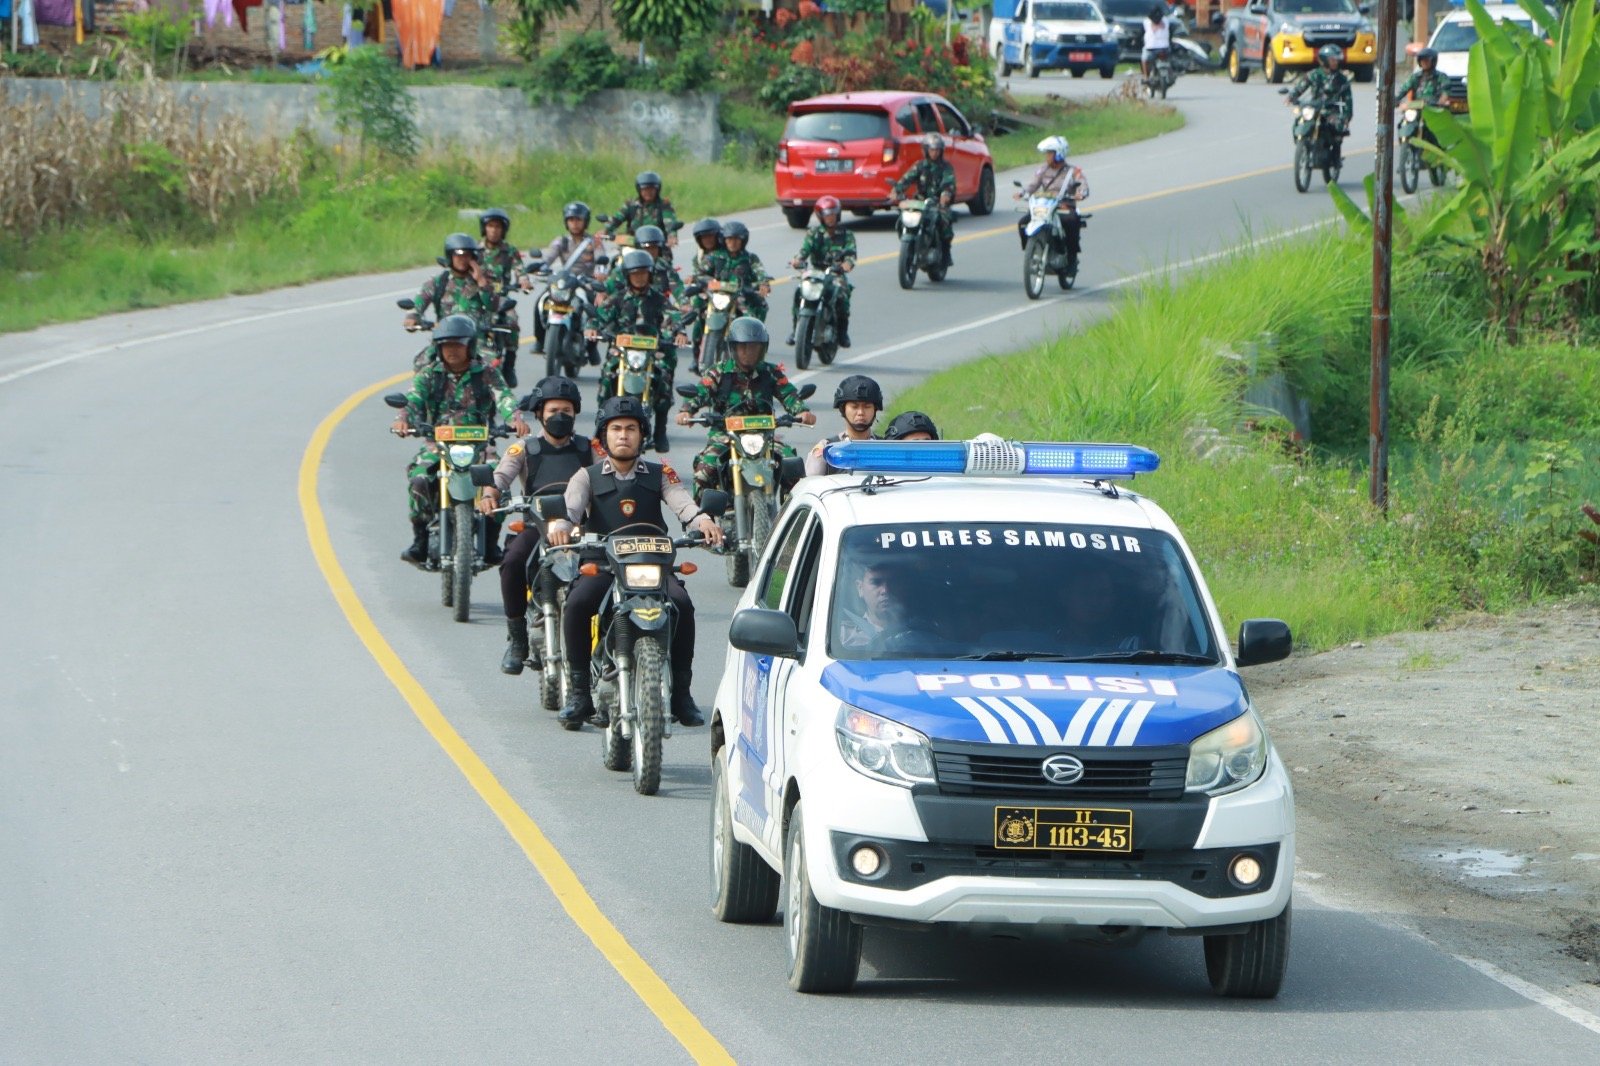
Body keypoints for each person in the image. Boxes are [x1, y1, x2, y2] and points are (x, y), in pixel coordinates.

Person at [548, 396, 724, 729]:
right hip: (603, 564)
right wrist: (560, 527)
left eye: (631, 428)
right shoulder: (586, 476)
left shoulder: (660, 473)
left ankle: (681, 694)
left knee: (683, 605)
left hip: (651, 565)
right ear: (604, 436)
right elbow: (569, 510)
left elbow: (683, 504)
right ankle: (579, 692)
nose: (624, 435)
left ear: (642, 435)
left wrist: (703, 522)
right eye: (616, 429)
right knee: (577, 604)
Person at [478, 376, 598, 675]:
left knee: (607, 574)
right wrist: (490, 495)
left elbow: (610, 474)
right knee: (513, 562)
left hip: (579, 531)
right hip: (538, 526)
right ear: (539, 413)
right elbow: (500, 477)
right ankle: (517, 639)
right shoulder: (524, 448)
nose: (560, 416)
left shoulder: (590, 448)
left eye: (567, 411)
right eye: (554, 409)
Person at [392, 314, 527, 564]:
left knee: (499, 479)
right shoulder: (429, 374)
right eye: (446, 345)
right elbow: (413, 399)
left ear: (470, 346)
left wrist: (514, 419)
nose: (452, 350)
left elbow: (505, 397)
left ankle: (490, 541)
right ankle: (420, 539)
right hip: (438, 445)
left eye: (458, 344)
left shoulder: (487, 373)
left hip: (481, 446)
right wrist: (403, 419)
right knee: (419, 478)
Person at [676, 317, 816, 497]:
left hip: (763, 435)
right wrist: (686, 411)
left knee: (792, 465)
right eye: (743, 347)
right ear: (733, 347)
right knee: (704, 470)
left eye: (753, 347)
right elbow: (700, 392)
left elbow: (789, 395)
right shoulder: (718, 371)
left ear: (762, 348)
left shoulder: (771, 372)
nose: (748, 352)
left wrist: (802, 411)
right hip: (725, 435)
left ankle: (789, 515)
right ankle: (703, 521)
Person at [591, 249, 691, 452]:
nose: (639, 278)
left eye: (643, 273)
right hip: (622, 351)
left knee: (663, 376)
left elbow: (673, 316)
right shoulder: (618, 298)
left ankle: (660, 431)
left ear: (650, 275)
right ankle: (600, 428)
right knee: (608, 375)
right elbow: (599, 316)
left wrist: (679, 332)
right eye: (635, 274)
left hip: (652, 353)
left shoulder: (658, 299)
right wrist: (592, 327)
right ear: (628, 276)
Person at [533, 201, 606, 361]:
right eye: (571, 220)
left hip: (584, 283)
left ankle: (592, 348)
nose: (574, 223)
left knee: (593, 308)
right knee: (540, 302)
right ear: (566, 222)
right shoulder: (561, 241)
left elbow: (601, 259)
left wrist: (599, 274)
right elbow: (549, 256)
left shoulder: (594, 241)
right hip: (563, 282)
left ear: (585, 221)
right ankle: (539, 340)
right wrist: (541, 266)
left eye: (578, 220)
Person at [787, 195, 857, 349]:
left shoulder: (847, 234)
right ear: (820, 216)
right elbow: (804, 250)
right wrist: (797, 260)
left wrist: (846, 264)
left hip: (835, 274)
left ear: (838, 214)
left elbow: (851, 255)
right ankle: (795, 330)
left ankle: (843, 332)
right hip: (815, 272)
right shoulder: (814, 233)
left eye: (832, 214)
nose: (830, 218)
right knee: (799, 292)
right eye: (826, 215)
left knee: (843, 294)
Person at [1013, 135, 1089, 267]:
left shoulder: (1073, 171)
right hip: (1044, 207)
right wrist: (1023, 192)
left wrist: (1081, 193)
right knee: (1023, 223)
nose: (1047, 157)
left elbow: (1083, 184)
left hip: (1063, 207)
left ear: (1059, 154)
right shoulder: (1043, 170)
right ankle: (1031, 252)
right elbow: (1033, 185)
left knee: (1071, 221)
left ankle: (1071, 258)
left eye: (1049, 153)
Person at [478, 208, 532, 387]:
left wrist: (524, 281)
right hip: (477, 298)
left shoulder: (509, 250)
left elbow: (520, 269)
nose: (494, 230)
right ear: (484, 228)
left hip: (500, 299)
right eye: (490, 226)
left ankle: (509, 363)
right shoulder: (474, 250)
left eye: (498, 227)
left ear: (503, 230)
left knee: (512, 319)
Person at [406, 233, 495, 336]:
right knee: (428, 353)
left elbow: (492, 306)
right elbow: (419, 301)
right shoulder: (438, 282)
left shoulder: (484, 281)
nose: (463, 259)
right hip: (445, 338)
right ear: (450, 256)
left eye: (467, 255)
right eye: (458, 254)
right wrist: (412, 317)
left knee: (489, 353)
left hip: (476, 340)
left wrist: (481, 281)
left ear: (473, 258)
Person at [891, 134, 958, 269]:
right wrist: (896, 190)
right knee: (902, 218)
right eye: (932, 150)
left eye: (937, 150)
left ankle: (945, 253)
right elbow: (907, 179)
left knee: (945, 222)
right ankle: (911, 243)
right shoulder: (920, 166)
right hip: (920, 202)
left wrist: (945, 195)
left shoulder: (946, 167)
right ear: (926, 150)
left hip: (937, 203)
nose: (935, 153)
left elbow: (948, 183)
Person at [805, 374, 882, 476]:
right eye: (854, 407)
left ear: (875, 409)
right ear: (843, 409)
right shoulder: (826, 450)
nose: (860, 412)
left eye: (867, 407)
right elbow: (811, 485)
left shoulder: (886, 448)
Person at [1289, 45, 1354, 160]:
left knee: (1337, 127)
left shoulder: (1341, 79)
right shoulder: (1314, 74)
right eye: (1332, 60)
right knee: (1299, 121)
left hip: (1331, 111)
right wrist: (1292, 96)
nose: (1335, 63)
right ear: (1324, 60)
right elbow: (1301, 87)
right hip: (1314, 108)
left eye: (1336, 60)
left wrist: (1346, 116)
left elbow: (1348, 100)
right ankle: (1303, 144)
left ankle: (1335, 155)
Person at [701, 220, 772, 322]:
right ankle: (697, 337)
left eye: (736, 239)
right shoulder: (714, 256)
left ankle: (755, 336)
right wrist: (698, 281)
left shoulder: (750, 258)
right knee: (697, 306)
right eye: (729, 239)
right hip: (716, 294)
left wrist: (764, 283)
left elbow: (760, 271)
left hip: (740, 295)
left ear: (743, 241)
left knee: (757, 312)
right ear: (724, 240)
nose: (732, 243)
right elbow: (701, 272)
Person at [836, 561, 912, 652]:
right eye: (876, 582)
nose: (885, 590)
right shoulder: (842, 636)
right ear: (860, 588)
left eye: (893, 582)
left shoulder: (921, 634)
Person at [604, 170, 680, 257]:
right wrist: (606, 229)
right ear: (639, 189)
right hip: (632, 246)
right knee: (617, 263)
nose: (648, 192)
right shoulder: (631, 205)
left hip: (656, 248)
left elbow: (670, 223)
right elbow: (617, 219)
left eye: (651, 189)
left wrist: (672, 236)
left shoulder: (664, 205)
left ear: (657, 189)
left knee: (664, 267)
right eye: (645, 189)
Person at [1141, 5, 1172, 81]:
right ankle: (1170, 74)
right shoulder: (1166, 20)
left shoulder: (1146, 21)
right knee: (1169, 60)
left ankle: (1146, 77)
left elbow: (1142, 33)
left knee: (1144, 59)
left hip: (1150, 48)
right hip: (1165, 48)